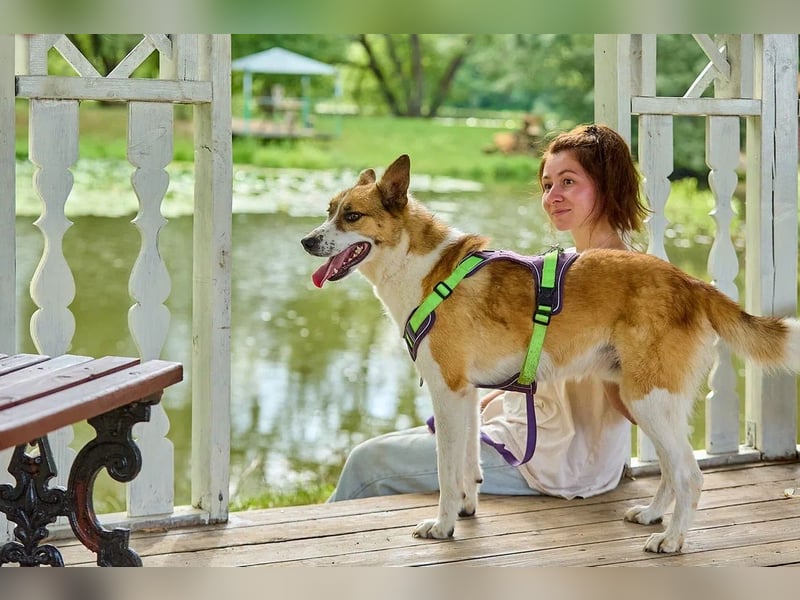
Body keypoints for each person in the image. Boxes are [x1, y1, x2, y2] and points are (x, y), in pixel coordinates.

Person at [328, 123, 650, 502]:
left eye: (568, 182)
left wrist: (630, 360)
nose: (552, 196)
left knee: (369, 464)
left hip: (556, 460)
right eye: (547, 185)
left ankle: (315, 555)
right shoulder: (565, 266)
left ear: (608, 184)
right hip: (517, 429)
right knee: (387, 446)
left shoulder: (629, 280)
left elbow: (635, 400)